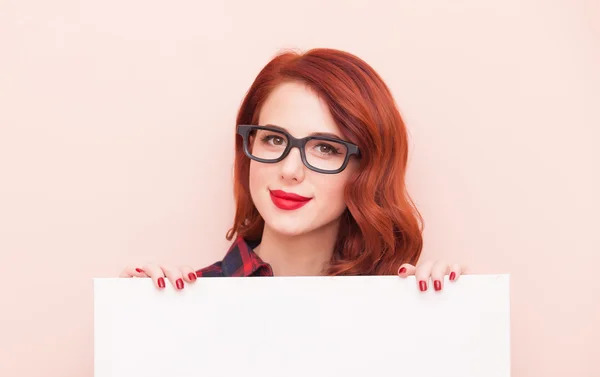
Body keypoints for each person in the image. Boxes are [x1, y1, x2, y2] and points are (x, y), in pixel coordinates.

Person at [119, 48, 466, 292]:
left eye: (326, 148)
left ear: (366, 170)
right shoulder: (183, 302)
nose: (290, 170)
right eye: (273, 139)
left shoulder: (400, 306)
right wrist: (144, 315)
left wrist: (446, 310)